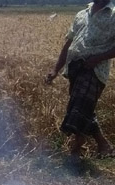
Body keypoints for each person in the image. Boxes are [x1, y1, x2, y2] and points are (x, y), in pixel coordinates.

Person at [46, 0, 115, 160]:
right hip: (74, 69)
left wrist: (97, 58)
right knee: (82, 107)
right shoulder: (82, 14)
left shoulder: (113, 15)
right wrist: (55, 69)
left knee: (79, 106)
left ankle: (76, 150)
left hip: (94, 70)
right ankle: (104, 145)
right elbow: (69, 43)